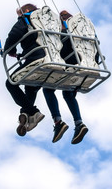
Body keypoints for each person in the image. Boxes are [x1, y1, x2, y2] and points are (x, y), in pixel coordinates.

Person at [43, 10, 88, 144]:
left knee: (47, 89)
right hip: (84, 65)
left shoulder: (65, 34)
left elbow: (60, 50)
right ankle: (79, 123)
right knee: (68, 94)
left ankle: (58, 122)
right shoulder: (84, 32)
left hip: (69, 64)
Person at [4, 3, 45, 137]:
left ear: (26, 10)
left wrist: (10, 50)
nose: (20, 16)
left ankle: (32, 112)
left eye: (20, 14)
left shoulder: (27, 17)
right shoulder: (48, 21)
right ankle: (27, 114)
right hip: (53, 59)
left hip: (36, 57)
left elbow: (14, 34)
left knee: (11, 83)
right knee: (30, 86)